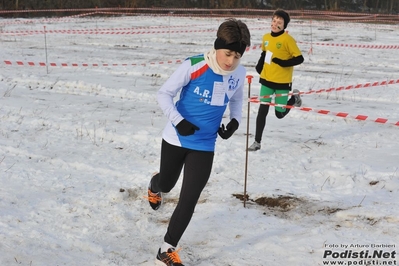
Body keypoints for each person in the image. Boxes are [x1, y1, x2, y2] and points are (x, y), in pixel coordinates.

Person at [146, 18, 251, 266]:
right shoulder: (193, 65)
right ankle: (154, 184)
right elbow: (164, 94)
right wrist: (178, 120)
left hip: (205, 144)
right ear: (217, 46)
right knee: (168, 184)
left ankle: (166, 248)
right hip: (176, 138)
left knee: (189, 198)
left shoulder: (238, 72)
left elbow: (236, 99)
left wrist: (235, 121)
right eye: (227, 54)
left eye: (237, 56)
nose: (231, 61)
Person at [248, 9, 304, 152]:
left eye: (279, 22)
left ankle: (294, 99)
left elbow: (299, 58)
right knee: (262, 111)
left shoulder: (287, 39)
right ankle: (257, 142)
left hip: (282, 82)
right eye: (274, 21)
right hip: (266, 80)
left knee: (279, 114)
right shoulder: (266, 37)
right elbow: (265, 52)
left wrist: (283, 63)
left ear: (284, 25)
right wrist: (259, 66)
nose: (275, 24)